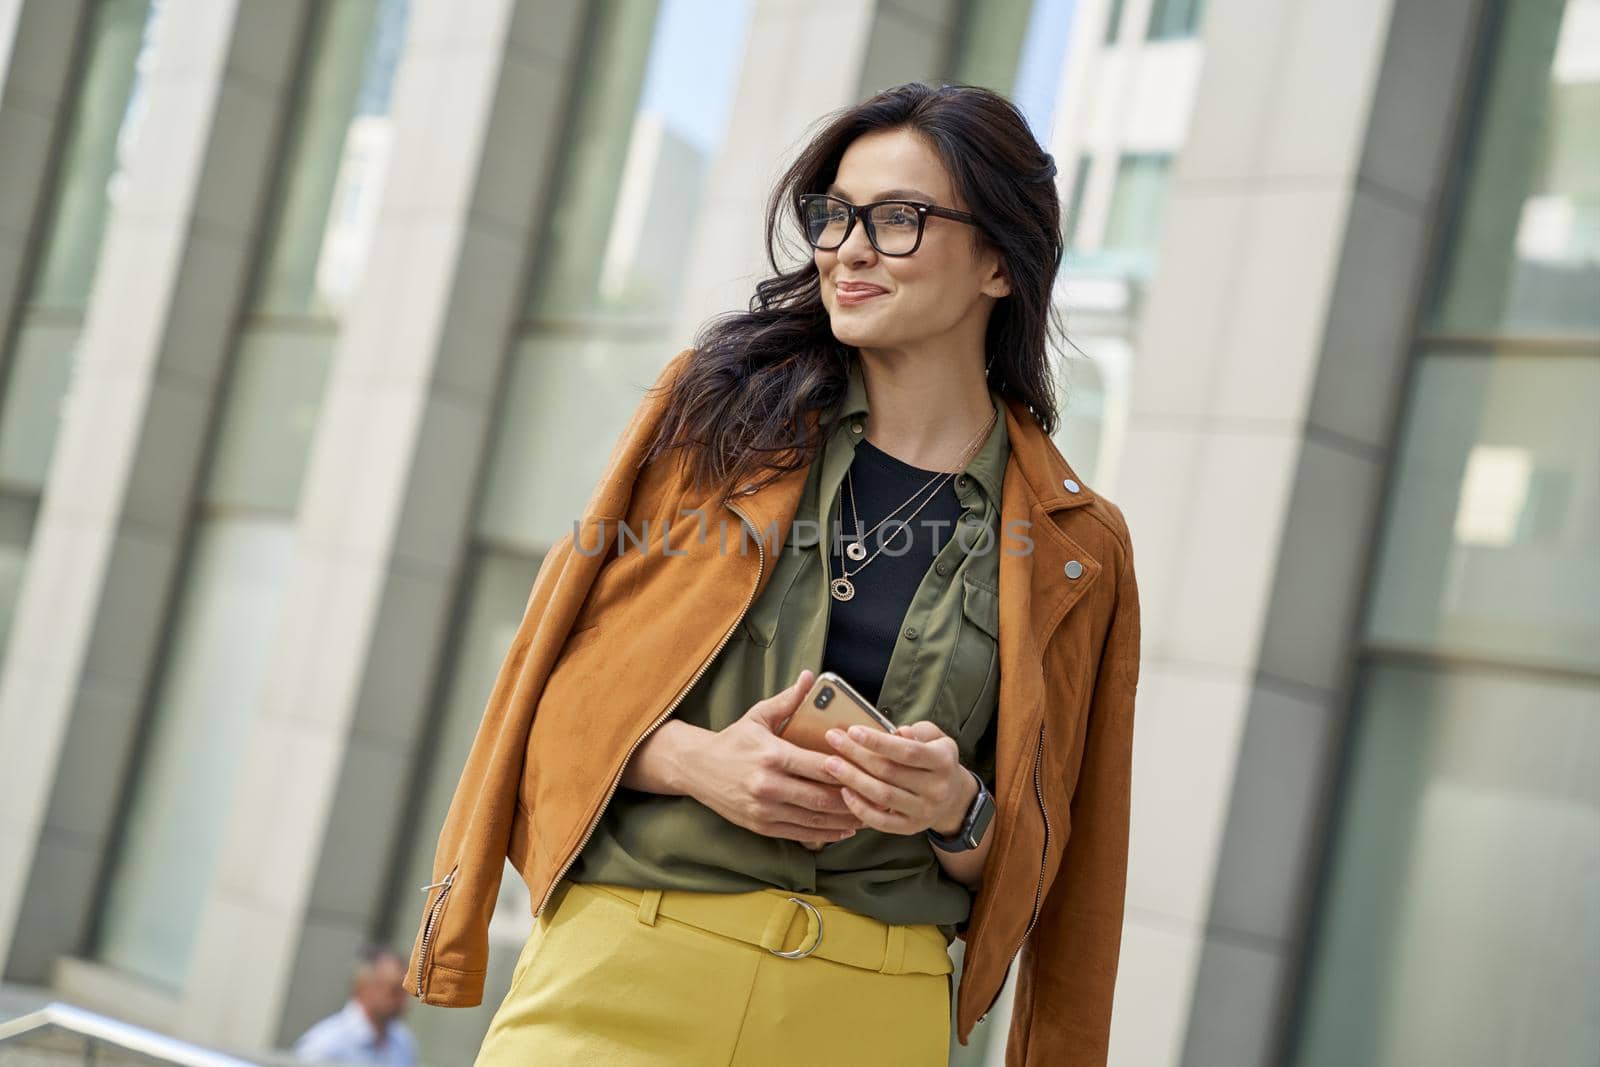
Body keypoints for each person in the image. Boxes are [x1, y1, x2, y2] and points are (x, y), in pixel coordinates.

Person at [406, 81, 1142, 1066]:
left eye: (897, 219)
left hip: (873, 1015)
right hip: (627, 970)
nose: (847, 247)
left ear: (1000, 263)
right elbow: (544, 696)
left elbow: (1067, 863)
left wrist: (951, 806)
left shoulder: (1077, 543)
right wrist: (692, 761)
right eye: (834, 215)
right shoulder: (711, 421)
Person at [292, 946, 418, 1066]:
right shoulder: (324, 1047)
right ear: (363, 987)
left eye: (407, 992)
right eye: (395, 991)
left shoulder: (403, 1042)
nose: (405, 1001)